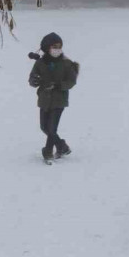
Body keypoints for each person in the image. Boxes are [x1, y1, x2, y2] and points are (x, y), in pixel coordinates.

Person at [28, 33, 79, 164]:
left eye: (59, 46)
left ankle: (48, 152)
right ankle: (62, 147)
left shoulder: (67, 63)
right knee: (44, 127)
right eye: (54, 46)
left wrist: (58, 85)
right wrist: (34, 80)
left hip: (59, 100)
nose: (57, 49)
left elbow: (71, 81)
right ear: (46, 48)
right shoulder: (40, 63)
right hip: (44, 99)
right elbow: (32, 78)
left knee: (52, 129)